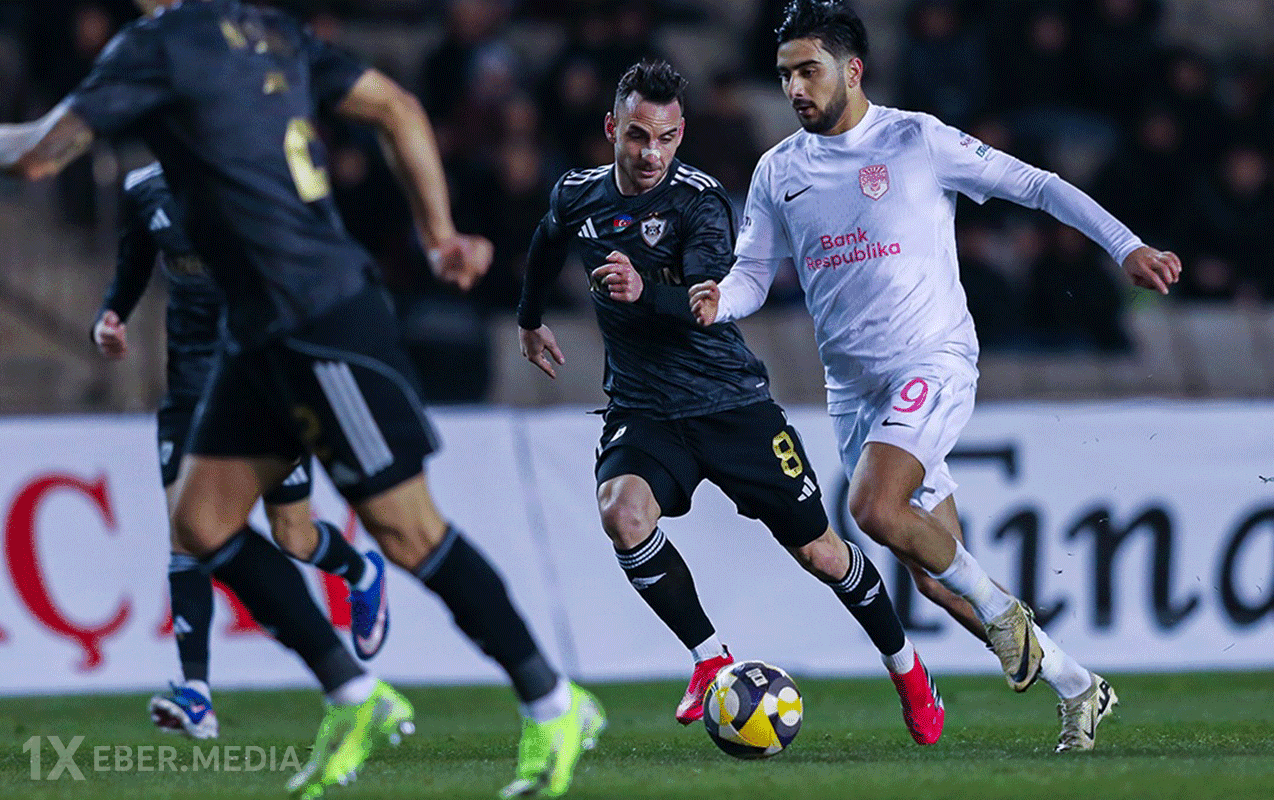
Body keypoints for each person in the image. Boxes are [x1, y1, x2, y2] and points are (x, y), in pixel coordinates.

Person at [1, 1, 603, 797]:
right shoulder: (269, 30)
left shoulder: (159, 46)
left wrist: (436, 236)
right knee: (202, 521)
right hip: (261, 332)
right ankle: (357, 695)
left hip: (319, 318)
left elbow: (41, 155)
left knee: (409, 532)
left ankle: (554, 703)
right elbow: (396, 107)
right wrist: (437, 233)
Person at [689, 0, 1182, 753]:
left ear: (853, 70)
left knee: (875, 509)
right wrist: (722, 298)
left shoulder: (915, 139)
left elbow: (1040, 185)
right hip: (854, 392)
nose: (794, 87)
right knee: (929, 575)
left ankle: (1006, 615)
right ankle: (1080, 686)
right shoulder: (777, 170)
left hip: (933, 363)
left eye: (809, 70)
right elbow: (755, 272)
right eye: (785, 72)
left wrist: (1126, 247)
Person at [518, 59, 943, 746]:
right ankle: (709, 656)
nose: (649, 153)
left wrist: (642, 293)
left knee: (823, 555)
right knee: (622, 513)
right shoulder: (578, 194)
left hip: (730, 404)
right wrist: (529, 317)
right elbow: (546, 239)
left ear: (681, 134)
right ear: (611, 130)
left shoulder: (700, 201)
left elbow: (708, 303)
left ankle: (908, 670)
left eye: (663, 138)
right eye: (635, 137)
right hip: (644, 408)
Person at [92, 161, 392, 740]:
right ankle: (197, 693)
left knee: (293, 535)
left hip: (260, 390)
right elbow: (132, 267)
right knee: (185, 529)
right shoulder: (143, 189)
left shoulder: (255, 177)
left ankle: (359, 570)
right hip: (187, 394)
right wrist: (109, 319)